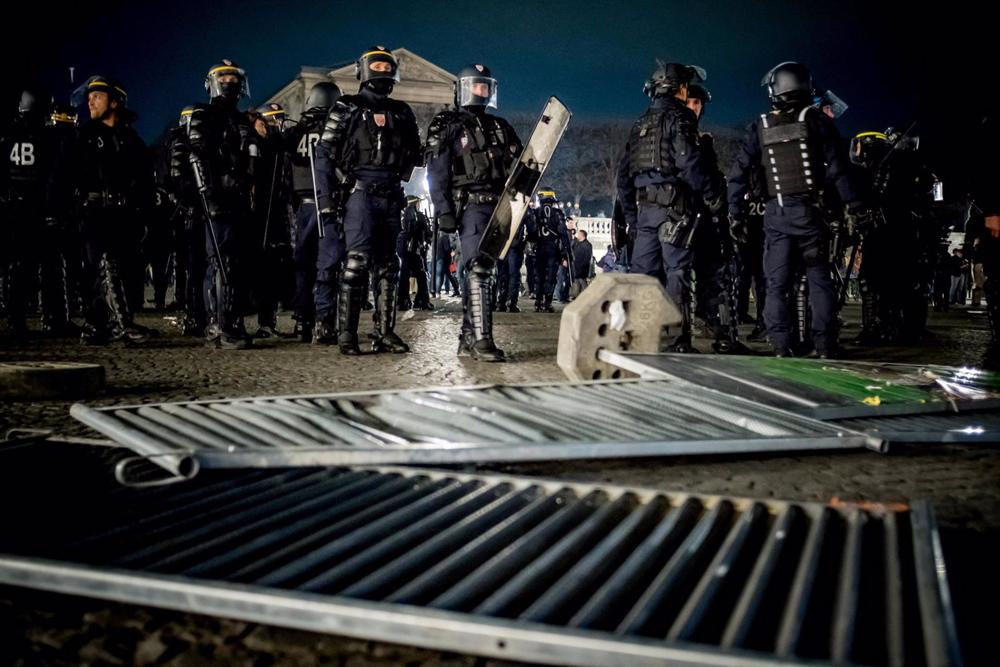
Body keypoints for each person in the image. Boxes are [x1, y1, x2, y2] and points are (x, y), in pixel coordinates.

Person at [728, 62, 863, 357]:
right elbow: (838, 169)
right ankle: (825, 345)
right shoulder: (816, 121)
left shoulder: (761, 125)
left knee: (776, 284)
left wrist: (735, 213)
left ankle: (780, 344)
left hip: (776, 215)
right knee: (819, 279)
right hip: (810, 214)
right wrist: (854, 204)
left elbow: (738, 173)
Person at [314, 46, 422, 355]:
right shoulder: (346, 107)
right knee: (356, 263)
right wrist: (326, 200)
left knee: (389, 265)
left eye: (387, 66)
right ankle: (347, 334)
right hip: (359, 193)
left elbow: (416, 152)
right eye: (377, 65)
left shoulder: (402, 111)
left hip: (392, 194)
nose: (382, 71)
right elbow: (324, 156)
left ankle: (384, 332)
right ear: (364, 70)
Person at [617, 61, 724, 352]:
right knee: (677, 273)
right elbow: (689, 162)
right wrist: (712, 196)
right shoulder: (681, 117)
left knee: (642, 275)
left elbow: (624, 177)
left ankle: (638, 337)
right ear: (679, 88)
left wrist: (632, 217)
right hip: (675, 209)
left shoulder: (639, 124)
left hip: (645, 211)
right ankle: (677, 340)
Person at [425, 63, 522, 360]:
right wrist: (443, 210)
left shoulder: (501, 126)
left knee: (485, 271)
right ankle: (482, 341)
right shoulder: (448, 124)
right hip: (470, 204)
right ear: (464, 89)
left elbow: (520, 163)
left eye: (485, 86)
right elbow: (437, 170)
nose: (482, 91)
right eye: (477, 86)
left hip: (499, 206)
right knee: (479, 267)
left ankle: (468, 338)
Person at [73, 76, 155, 345]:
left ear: (114, 102)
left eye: (97, 96)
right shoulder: (84, 136)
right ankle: (120, 324)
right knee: (103, 265)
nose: (90, 102)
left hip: (125, 215)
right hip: (95, 212)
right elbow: (64, 175)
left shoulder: (132, 140)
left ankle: (98, 326)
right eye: (89, 97)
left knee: (125, 270)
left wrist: (145, 216)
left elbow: (145, 181)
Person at [186, 60, 260, 349]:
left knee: (237, 263)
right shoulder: (204, 114)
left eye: (234, 78)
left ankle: (233, 320)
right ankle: (217, 326)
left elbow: (251, 157)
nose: (230, 82)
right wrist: (208, 195)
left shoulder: (241, 119)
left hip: (239, 198)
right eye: (224, 77)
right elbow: (197, 155)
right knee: (220, 261)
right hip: (217, 197)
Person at [1, 88, 73, 337]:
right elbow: (55, 175)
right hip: (41, 208)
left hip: (15, 209)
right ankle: (54, 319)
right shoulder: (48, 137)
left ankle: (16, 320)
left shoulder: (8, 136)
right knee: (51, 266)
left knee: (19, 268)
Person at [284, 81, 343, 343]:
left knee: (303, 264)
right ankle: (324, 319)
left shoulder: (297, 131)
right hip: (329, 202)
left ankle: (301, 320)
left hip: (303, 205)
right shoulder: (336, 128)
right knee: (328, 263)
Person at [528, 188, 570, 312]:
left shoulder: (536, 212)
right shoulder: (558, 213)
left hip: (539, 248)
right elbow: (563, 234)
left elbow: (531, 232)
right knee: (551, 277)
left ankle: (538, 302)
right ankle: (547, 303)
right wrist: (567, 252)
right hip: (553, 249)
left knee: (539, 276)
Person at [397, 195, 433, 311]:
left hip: (403, 248)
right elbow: (425, 233)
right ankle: (423, 301)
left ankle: (402, 300)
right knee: (421, 275)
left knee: (404, 275)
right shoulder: (418, 215)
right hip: (414, 248)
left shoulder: (400, 215)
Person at [571, 228, 593, 298]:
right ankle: (577, 296)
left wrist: (582, 266)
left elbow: (587, 257)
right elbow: (571, 247)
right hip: (576, 267)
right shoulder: (577, 243)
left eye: (578, 234)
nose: (577, 235)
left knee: (582, 282)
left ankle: (587, 296)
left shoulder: (587, 245)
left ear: (582, 235)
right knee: (577, 282)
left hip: (582, 268)